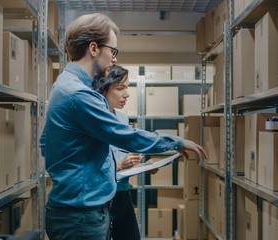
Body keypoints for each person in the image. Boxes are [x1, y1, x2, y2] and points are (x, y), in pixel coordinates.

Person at [39, 13, 207, 240]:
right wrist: (177, 141)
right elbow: (124, 136)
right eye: (113, 51)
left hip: (77, 213)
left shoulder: (65, 85)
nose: (114, 59)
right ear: (94, 48)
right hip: (80, 218)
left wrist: (89, 170)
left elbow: (45, 144)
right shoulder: (78, 94)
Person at [92, 64, 158, 240]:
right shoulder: (93, 119)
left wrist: (142, 166)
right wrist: (120, 165)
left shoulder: (122, 118)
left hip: (123, 195)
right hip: (102, 197)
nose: (127, 94)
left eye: (126, 88)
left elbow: (123, 158)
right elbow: (89, 166)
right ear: (103, 89)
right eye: (120, 88)